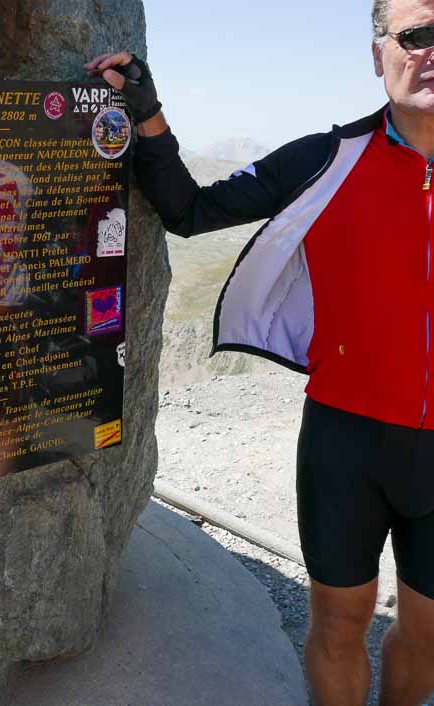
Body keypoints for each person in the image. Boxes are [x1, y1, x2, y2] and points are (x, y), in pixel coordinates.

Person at [86, 1, 434, 704]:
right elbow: (189, 212)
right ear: (378, 54)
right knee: (339, 627)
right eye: (416, 34)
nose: (432, 52)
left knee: (427, 636)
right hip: (346, 443)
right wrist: (148, 115)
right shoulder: (325, 159)